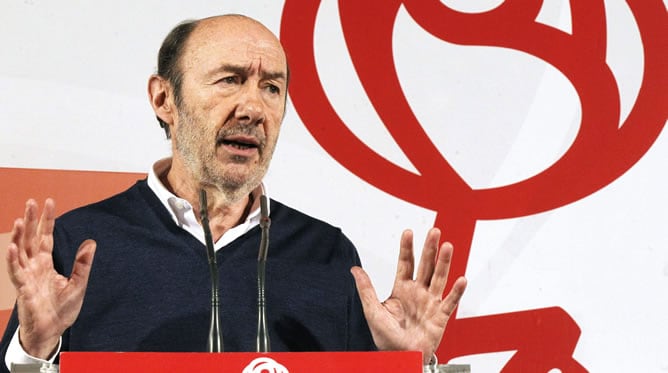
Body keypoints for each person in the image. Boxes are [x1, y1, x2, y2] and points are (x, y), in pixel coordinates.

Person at [0, 14, 467, 371]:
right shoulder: (80, 244)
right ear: (165, 100)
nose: (253, 107)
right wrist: (35, 348)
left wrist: (411, 364)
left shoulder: (327, 253)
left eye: (271, 87)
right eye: (230, 80)